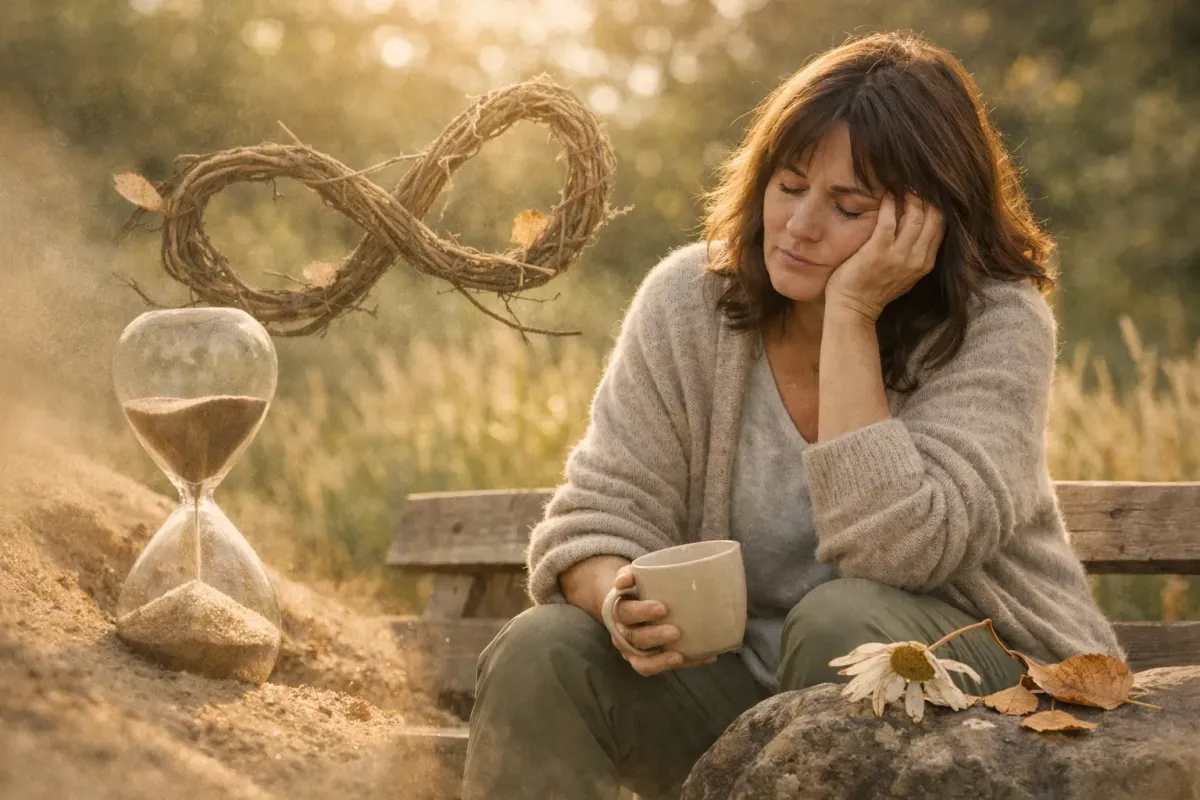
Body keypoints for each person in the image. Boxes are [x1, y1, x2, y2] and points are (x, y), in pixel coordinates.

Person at [461, 30, 1122, 800]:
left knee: (842, 625)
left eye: (848, 206)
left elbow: (899, 552)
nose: (801, 225)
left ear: (926, 224)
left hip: (986, 697)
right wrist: (617, 599)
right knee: (545, 647)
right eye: (789, 184)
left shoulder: (997, 326)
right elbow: (596, 514)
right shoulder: (689, 301)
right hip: (749, 700)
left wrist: (852, 316)